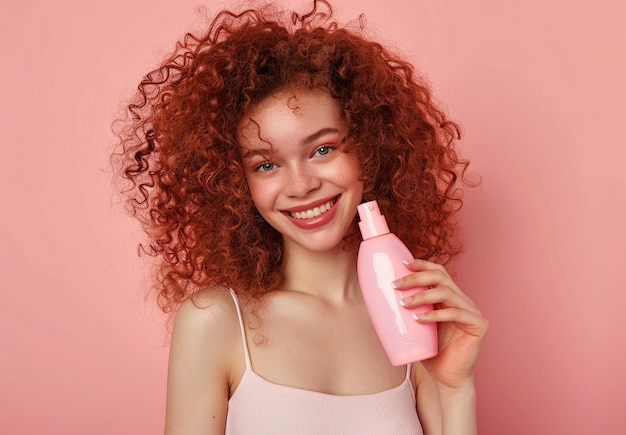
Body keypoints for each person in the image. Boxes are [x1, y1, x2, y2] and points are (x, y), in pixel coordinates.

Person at [111, 0, 488, 433]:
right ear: (237, 184)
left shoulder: (413, 321)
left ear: (369, 147)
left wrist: (456, 389)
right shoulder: (215, 321)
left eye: (323, 149)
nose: (301, 185)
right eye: (265, 164)